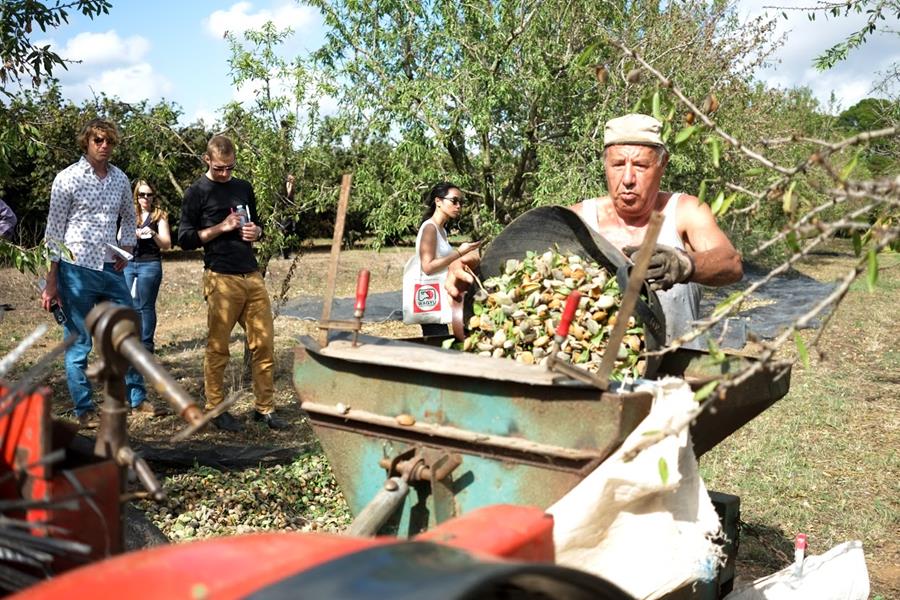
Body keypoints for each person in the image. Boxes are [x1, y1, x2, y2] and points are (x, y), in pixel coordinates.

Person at [447, 113, 742, 344]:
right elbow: (521, 266)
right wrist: (474, 265)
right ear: (605, 165)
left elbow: (730, 263)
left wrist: (683, 263)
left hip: (676, 373)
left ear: (662, 165)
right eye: (617, 165)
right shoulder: (579, 220)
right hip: (600, 381)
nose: (627, 178)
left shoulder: (685, 211)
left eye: (640, 165)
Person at [41, 118, 148, 428]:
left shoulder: (120, 179)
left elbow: (129, 217)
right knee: (79, 342)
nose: (104, 146)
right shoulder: (67, 178)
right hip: (76, 269)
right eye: (98, 140)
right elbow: (54, 231)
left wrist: (125, 251)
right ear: (86, 142)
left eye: (109, 141)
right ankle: (84, 408)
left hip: (110, 268)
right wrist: (52, 280)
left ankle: (137, 399)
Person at [178, 135, 287, 432]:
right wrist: (220, 228)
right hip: (221, 277)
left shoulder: (243, 187)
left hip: (251, 275)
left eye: (230, 168)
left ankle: (264, 409)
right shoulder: (196, 192)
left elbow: (258, 223)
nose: (225, 173)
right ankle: (215, 408)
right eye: (220, 168)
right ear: (207, 160)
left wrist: (258, 232)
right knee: (219, 348)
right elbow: (185, 239)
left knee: (264, 344)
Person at [413, 182, 481, 336]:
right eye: (454, 201)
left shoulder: (441, 230)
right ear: (438, 201)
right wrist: (459, 253)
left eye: (461, 203)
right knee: (437, 345)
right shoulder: (430, 228)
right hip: (431, 298)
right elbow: (428, 267)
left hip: (440, 297)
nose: (458, 206)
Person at [123, 180, 171, 352]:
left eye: (149, 194)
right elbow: (119, 238)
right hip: (129, 263)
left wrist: (153, 233)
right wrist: (131, 235)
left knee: (146, 306)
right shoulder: (129, 214)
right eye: (141, 194)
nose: (145, 198)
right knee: (130, 304)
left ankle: (147, 345)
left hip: (149, 264)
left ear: (153, 196)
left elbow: (167, 244)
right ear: (136, 196)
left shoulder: (159, 215)